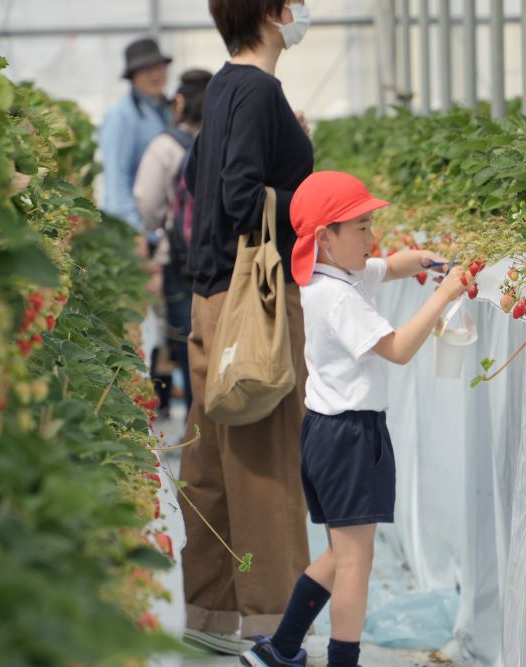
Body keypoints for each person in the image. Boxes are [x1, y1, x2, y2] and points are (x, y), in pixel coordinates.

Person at [239, 170, 466, 667]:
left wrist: (429, 260)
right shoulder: (337, 297)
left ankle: (279, 648)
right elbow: (400, 349)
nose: (371, 236)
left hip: (330, 432)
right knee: (356, 565)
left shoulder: (334, 274)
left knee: (340, 555)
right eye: (361, 226)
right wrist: (443, 295)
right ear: (325, 237)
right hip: (350, 438)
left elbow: (392, 265)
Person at [178, 0, 314, 656]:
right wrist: (316, 202)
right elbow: (240, 196)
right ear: (268, 12)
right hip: (253, 300)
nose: (302, 11)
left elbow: (195, 175)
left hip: (207, 300)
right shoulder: (260, 91)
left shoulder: (225, 85)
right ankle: (273, 626)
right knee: (263, 466)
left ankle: (210, 613)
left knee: (210, 464)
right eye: (294, 2)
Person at [134, 68, 213, 419]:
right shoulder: (226, 140)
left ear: (179, 102)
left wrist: (158, 231)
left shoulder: (164, 147)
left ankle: (194, 432)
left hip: (180, 263)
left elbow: (147, 204)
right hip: (228, 261)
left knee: (185, 345)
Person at [99, 37, 173, 229]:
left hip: (159, 226)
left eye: (159, 67)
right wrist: (132, 233)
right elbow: (116, 177)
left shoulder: (166, 108)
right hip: (137, 228)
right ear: (133, 76)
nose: (155, 74)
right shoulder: (122, 116)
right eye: (146, 70)